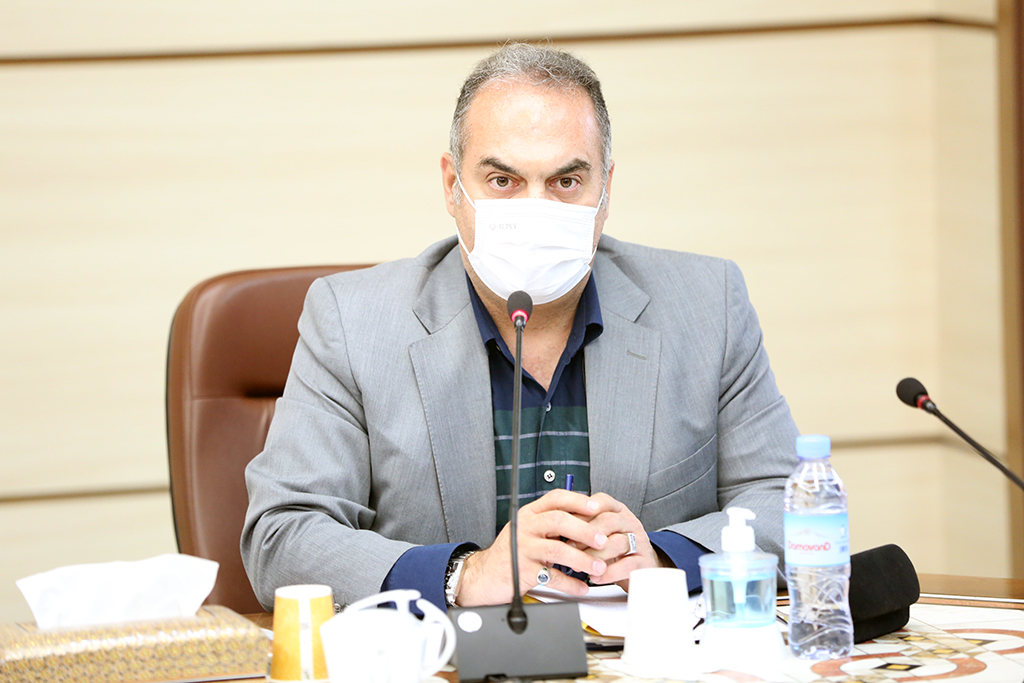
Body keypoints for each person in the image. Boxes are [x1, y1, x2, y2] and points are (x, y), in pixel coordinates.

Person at [241, 43, 800, 612]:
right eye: (503, 180)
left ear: (606, 191)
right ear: (452, 186)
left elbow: (790, 503)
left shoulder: (708, 303)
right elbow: (282, 535)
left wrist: (661, 557)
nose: (536, 210)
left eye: (566, 181)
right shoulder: (352, 319)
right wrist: (465, 574)